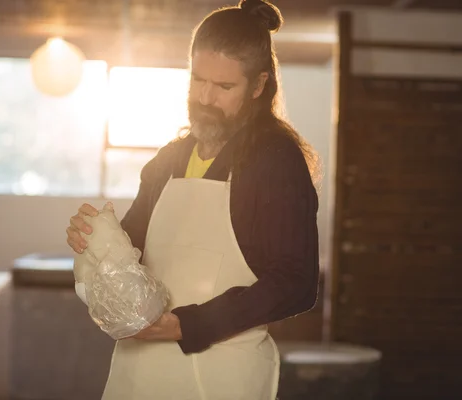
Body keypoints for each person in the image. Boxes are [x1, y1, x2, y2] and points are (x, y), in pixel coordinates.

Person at [66, 0, 320, 398]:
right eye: (198, 80)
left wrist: (188, 325)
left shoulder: (275, 161)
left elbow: (296, 282)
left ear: (258, 86)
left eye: (224, 87)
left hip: (217, 377)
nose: (205, 98)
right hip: (139, 375)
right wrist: (97, 243)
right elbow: (133, 246)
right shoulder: (169, 159)